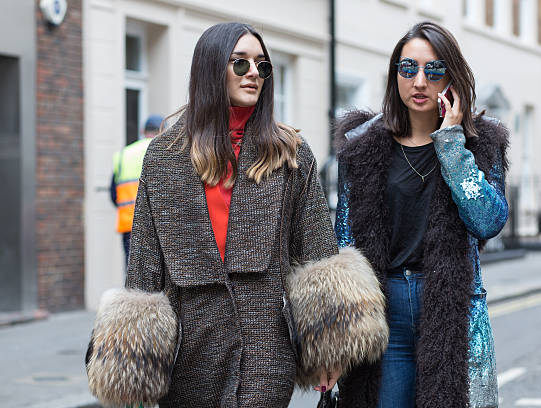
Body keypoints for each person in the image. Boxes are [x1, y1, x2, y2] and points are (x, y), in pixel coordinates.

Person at [86, 22, 387, 408]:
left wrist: (331, 351)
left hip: (266, 346)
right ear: (212, 68)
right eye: (240, 64)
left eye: (262, 66)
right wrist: (137, 367)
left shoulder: (289, 153)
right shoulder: (164, 157)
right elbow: (145, 265)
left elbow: (318, 254)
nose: (253, 75)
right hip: (188, 353)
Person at [333, 21, 509, 407]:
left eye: (434, 70)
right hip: (385, 309)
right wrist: (338, 332)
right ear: (395, 73)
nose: (419, 82)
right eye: (408, 68)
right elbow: (344, 242)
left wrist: (451, 146)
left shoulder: (480, 144)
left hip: (450, 304)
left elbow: (489, 221)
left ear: (453, 77)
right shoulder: (361, 147)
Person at [110, 114, 164, 264]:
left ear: (142, 131)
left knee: (132, 273)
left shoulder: (123, 154)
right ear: (163, 131)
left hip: (129, 223)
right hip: (156, 225)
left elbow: (114, 194)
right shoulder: (163, 151)